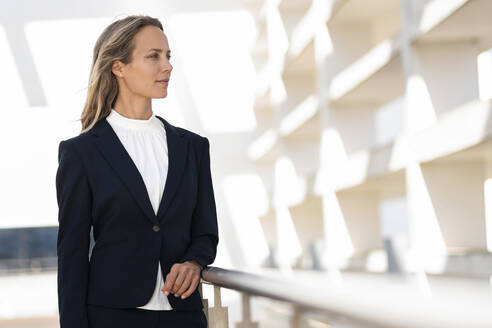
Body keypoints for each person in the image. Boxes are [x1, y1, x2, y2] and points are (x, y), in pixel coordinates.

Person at [55, 15, 219, 328]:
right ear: (118, 67)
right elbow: (72, 254)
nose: (168, 66)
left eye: (168, 56)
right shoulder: (82, 153)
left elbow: (206, 231)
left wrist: (195, 261)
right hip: (110, 315)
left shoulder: (193, 148)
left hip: (183, 316)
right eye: (153, 56)